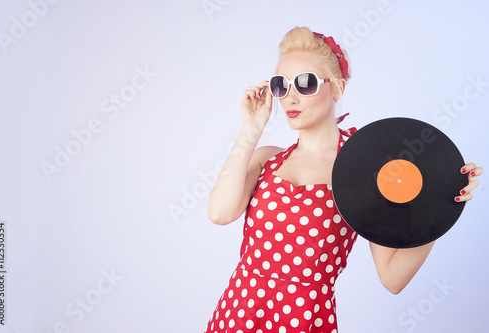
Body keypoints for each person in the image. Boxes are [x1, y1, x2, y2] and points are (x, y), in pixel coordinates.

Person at [204, 26, 483, 333]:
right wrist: (251, 130)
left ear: (337, 88)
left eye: (306, 83)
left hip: (305, 320)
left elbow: (391, 278)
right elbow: (219, 213)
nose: (290, 97)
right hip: (237, 314)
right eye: (281, 85)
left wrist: (441, 208)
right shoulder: (265, 158)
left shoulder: (364, 169)